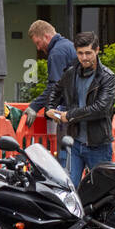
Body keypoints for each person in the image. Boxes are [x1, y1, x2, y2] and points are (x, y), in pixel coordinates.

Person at [45, 31, 115, 185]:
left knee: (101, 192)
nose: (84, 57)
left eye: (88, 53)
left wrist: (69, 115)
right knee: (68, 189)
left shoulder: (107, 77)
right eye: (80, 53)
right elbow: (55, 90)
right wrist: (50, 109)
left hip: (98, 145)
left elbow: (101, 108)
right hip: (74, 142)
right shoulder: (71, 73)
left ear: (97, 50)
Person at [23, 20, 77, 160]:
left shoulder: (57, 53)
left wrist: (34, 106)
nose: (39, 48)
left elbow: (55, 87)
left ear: (46, 36)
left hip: (67, 112)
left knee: (65, 158)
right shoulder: (69, 46)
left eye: (38, 43)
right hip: (79, 111)